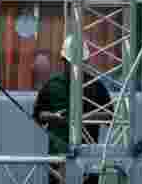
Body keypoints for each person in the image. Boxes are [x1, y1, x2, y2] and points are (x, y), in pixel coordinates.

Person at [33, 35, 112, 184]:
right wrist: (54, 117)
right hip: (58, 158)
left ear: (86, 62)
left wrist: (85, 117)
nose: (76, 67)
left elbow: (110, 116)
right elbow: (38, 115)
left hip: (88, 159)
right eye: (72, 63)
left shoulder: (96, 86)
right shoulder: (52, 85)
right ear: (63, 61)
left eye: (80, 63)